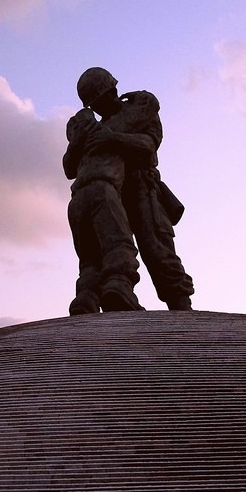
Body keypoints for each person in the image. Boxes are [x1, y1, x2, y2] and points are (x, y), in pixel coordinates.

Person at [75, 67, 194, 310]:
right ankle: (113, 294)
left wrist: (113, 139)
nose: (98, 108)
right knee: (107, 248)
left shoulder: (139, 111)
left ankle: (180, 305)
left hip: (143, 187)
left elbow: (148, 145)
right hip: (112, 189)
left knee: (157, 249)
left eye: (101, 100)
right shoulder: (98, 128)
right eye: (94, 105)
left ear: (113, 92)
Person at [63, 75, 144, 315]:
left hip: (76, 200)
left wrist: (76, 140)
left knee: (89, 258)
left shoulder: (82, 137)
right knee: (118, 245)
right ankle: (119, 287)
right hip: (102, 190)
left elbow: (68, 168)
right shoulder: (110, 128)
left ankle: (86, 297)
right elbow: (144, 111)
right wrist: (141, 98)